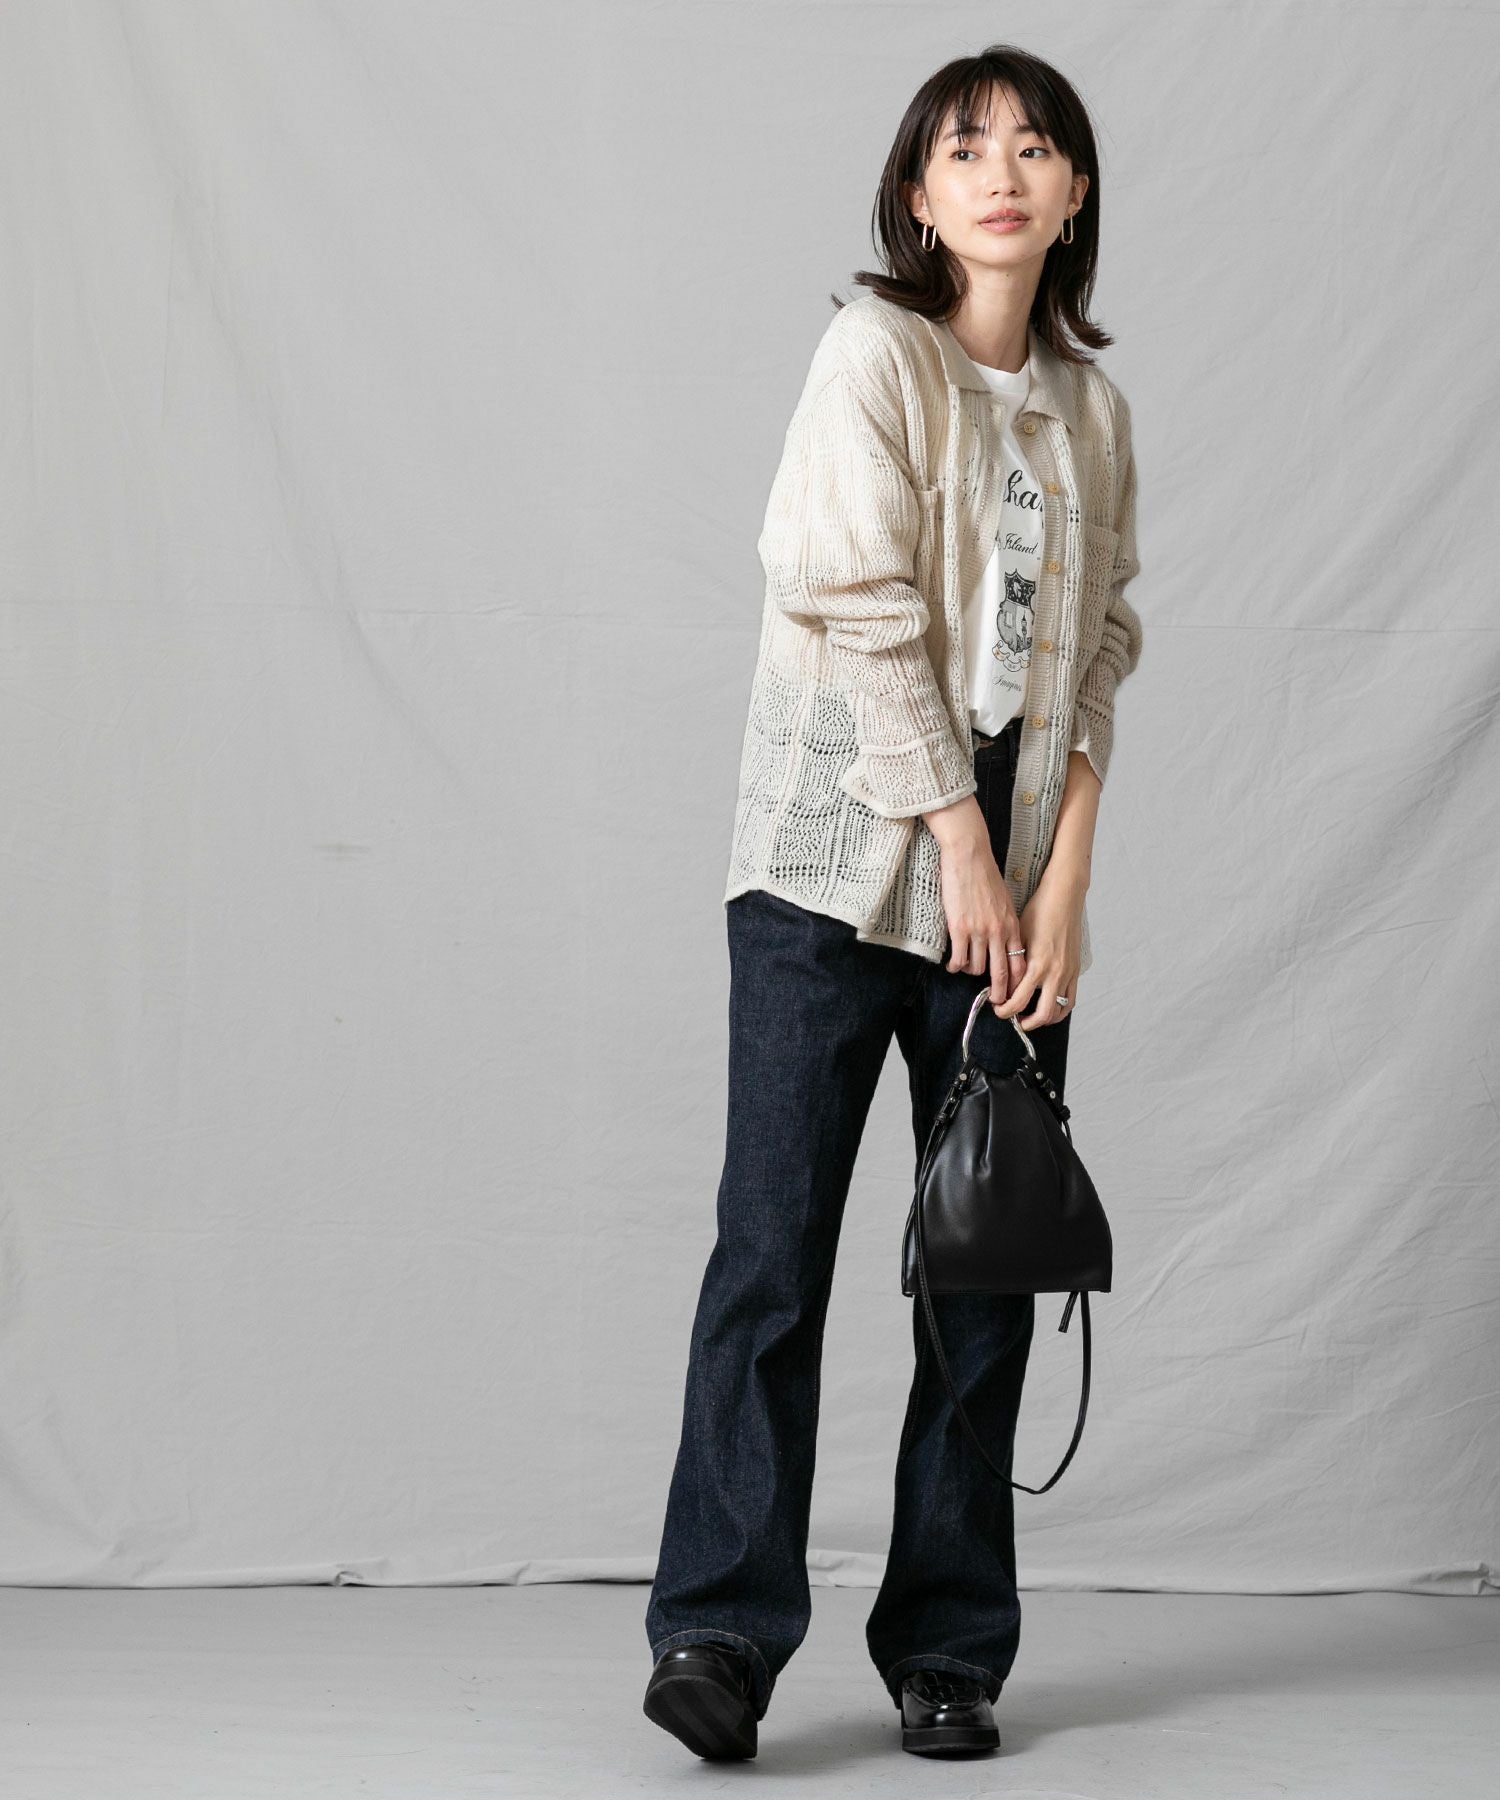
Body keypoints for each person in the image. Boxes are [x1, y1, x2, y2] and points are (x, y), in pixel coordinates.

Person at [642, 42, 1143, 1764]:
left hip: (1013, 884)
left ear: (1074, 194)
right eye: (965, 149)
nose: (1002, 172)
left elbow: (1101, 647)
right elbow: (853, 604)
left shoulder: (1095, 416)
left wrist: (1062, 879)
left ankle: (948, 1648)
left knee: (984, 1267)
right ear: (918, 197)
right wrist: (969, 850)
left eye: (1035, 147)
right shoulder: (873, 356)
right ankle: (719, 1633)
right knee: (772, 1254)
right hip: (830, 865)